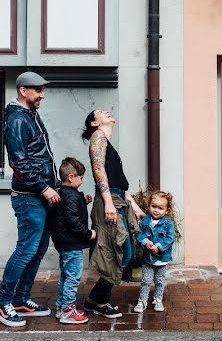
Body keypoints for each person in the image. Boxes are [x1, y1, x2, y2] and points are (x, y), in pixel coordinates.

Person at [0, 71, 60, 328]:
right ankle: (1, 303)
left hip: (40, 195)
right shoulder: (18, 118)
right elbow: (18, 162)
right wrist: (44, 187)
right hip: (29, 197)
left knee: (38, 250)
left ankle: (20, 299)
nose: (42, 95)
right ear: (23, 91)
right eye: (38, 90)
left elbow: (40, 156)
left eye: (42, 90)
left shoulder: (31, 115)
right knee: (26, 250)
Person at [81, 109, 145, 318]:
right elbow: (98, 170)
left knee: (122, 253)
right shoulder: (97, 137)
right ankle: (97, 300)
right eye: (100, 112)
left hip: (117, 200)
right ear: (94, 123)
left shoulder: (108, 145)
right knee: (121, 253)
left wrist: (134, 206)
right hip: (109, 202)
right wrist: (109, 203)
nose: (106, 111)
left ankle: (95, 300)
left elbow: (120, 183)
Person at [49, 157, 96, 325]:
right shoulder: (70, 195)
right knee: (73, 278)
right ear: (71, 177)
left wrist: (83, 201)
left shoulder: (63, 192)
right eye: (81, 177)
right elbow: (73, 221)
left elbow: (67, 211)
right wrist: (88, 233)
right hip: (71, 243)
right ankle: (68, 311)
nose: (82, 181)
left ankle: (62, 307)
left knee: (65, 276)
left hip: (63, 243)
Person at [133, 191, 176, 313]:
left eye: (160, 208)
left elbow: (170, 239)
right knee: (146, 280)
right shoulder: (145, 221)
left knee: (159, 280)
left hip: (162, 258)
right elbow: (140, 235)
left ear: (167, 210)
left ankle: (157, 299)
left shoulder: (168, 223)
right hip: (148, 258)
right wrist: (145, 242)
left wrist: (159, 246)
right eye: (154, 206)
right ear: (149, 206)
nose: (156, 210)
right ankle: (142, 301)